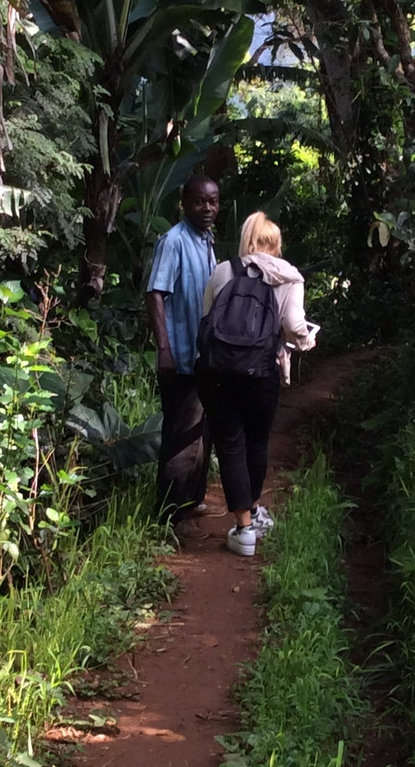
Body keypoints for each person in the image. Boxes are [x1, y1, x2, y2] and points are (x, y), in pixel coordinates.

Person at [198, 211, 317, 556]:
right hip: (261, 372)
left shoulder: (224, 270)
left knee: (231, 444)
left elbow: (207, 319)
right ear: (276, 244)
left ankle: (243, 527)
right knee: (257, 442)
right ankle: (250, 512)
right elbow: (295, 325)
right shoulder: (289, 277)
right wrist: (307, 341)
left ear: (247, 240)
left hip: (219, 372)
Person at [145, 175, 220, 536]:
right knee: (180, 435)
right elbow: (155, 293)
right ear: (184, 203)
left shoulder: (206, 241)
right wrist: (164, 349)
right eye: (200, 202)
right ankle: (168, 514)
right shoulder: (173, 242)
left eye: (213, 202)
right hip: (180, 355)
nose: (207, 209)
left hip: (204, 356)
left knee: (201, 431)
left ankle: (192, 500)